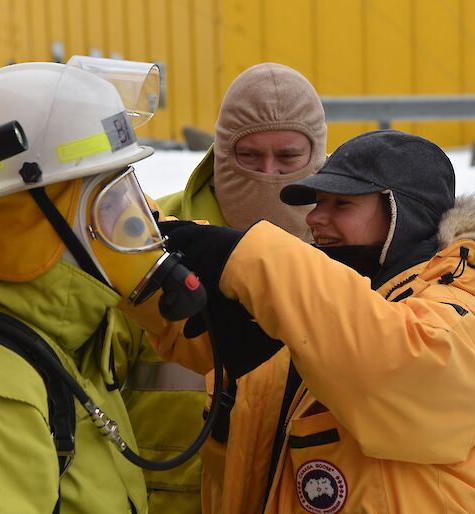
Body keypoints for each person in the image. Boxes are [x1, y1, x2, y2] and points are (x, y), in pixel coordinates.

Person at [0, 60, 191, 513]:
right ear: (33, 222)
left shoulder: (72, 347)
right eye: (107, 196)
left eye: (129, 189)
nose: (136, 214)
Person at [140, 129, 475, 513]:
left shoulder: (458, 305)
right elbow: (190, 332)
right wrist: (131, 233)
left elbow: (393, 363)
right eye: (318, 202)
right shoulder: (321, 309)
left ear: (404, 216)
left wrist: (244, 257)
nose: (315, 217)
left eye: (341, 204)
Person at [142, 62, 327, 513]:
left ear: (318, 157)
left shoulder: (345, 249)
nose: (269, 174)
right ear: (222, 152)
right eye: (249, 156)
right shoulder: (153, 237)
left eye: (287, 158)